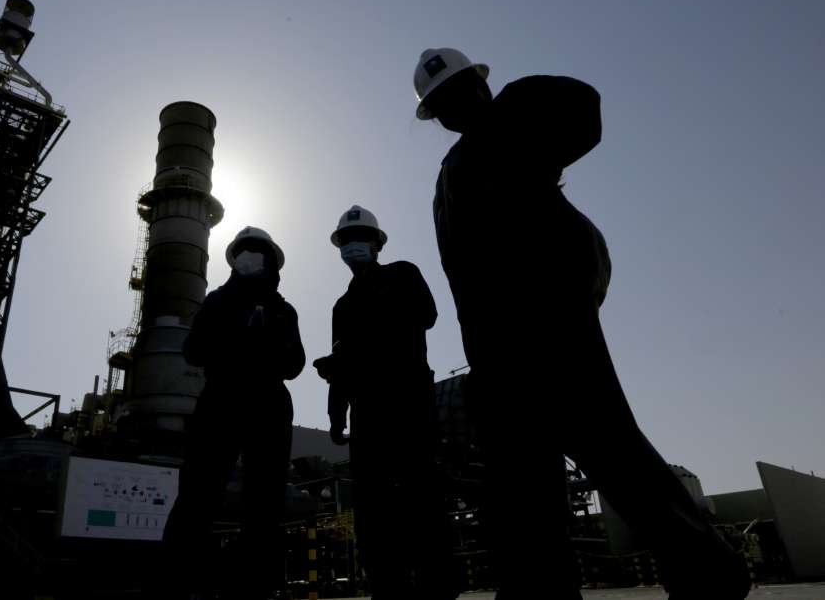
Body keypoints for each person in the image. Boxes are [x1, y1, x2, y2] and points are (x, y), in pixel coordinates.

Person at [413, 47, 750, 599]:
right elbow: (464, 275)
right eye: (445, 103)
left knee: (611, 449)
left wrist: (509, 105)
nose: (458, 108)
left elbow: (581, 107)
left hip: (555, 329)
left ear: (481, 87)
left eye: (465, 91)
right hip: (497, 348)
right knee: (521, 477)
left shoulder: (512, 137)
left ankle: (709, 571)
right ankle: (537, 589)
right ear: (439, 117)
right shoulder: (451, 177)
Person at [312, 205, 458, 599]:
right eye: (345, 240)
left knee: (421, 490)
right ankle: (386, 585)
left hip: (408, 399)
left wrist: (358, 349)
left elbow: (426, 316)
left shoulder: (403, 274)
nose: (352, 246)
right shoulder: (341, 307)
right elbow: (341, 360)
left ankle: (438, 584)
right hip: (367, 410)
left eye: (360, 238)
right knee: (372, 502)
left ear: (377, 244)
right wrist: (335, 414)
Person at [161, 226, 305, 599]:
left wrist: (268, 344)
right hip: (221, 400)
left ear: (271, 260)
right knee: (197, 493)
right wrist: (232, 338)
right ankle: (177, 584)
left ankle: (257, 587)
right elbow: (193, 351)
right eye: (242, 251)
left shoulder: (283, 310)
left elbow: (295, 363)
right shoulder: (216, 302)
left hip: (268, 404)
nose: (248, 256)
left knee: (265, 501)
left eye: (256, 251)